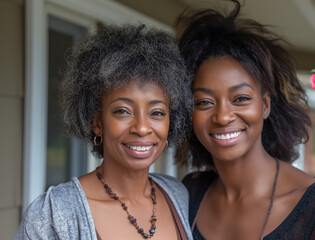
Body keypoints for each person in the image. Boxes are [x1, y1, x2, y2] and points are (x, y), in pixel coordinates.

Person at [175, 1, 315, 239]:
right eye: (204, 102)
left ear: (265, 104)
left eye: (240, 98)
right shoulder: (190, 193)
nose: (222, 117)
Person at [15, 24, 193, 240]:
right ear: (98, 122)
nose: (142, 128)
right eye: (122, 111)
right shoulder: (53, 216)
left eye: (156, 112)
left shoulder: (177, 194)